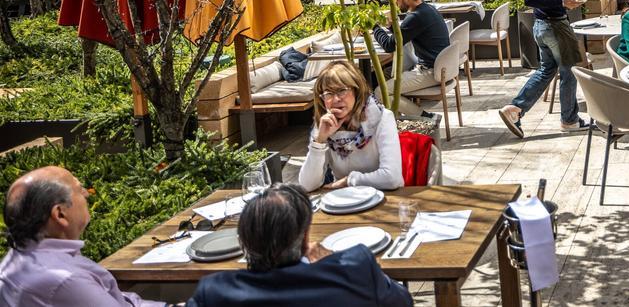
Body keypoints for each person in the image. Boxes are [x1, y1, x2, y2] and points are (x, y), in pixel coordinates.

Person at [187, 183, 412, 307]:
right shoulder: (355, 269)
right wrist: (334, 262)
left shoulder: (216, 293)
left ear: (243, 241)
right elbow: (403, 302)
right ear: (305, 239)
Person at [0, 166, 166, 306]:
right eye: (79, 190)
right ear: (60, 214)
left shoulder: (18, 260)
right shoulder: (65, 280)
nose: (87, 194)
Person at [497, 0, 588, 138]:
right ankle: (569, 120)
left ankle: (515, 110)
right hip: (554, 26)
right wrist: (562, 2)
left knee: (547, 70)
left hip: (542, 26)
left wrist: (562, 0)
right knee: (569, 72)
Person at [298, 61, 403, 192]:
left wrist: (349, 181)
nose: (336, 99)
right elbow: (306, 185)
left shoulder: (381, 119)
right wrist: (319, 141)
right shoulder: (324, 125)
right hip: (343, 203)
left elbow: (392, 178)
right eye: (328, 93)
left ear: (357, 91)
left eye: (341, 90)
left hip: (383, 198)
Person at [371, 0, 449, 118]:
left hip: (430, 72)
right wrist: (390, 26)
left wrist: (374, 27)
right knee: (386, 73)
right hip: (441, 68)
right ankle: (398, 122)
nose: (396, 3)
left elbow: (389, 45)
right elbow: (403, 36)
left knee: (380, 91)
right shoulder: (428, 9)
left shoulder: (416, 16)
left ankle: (425, 117)